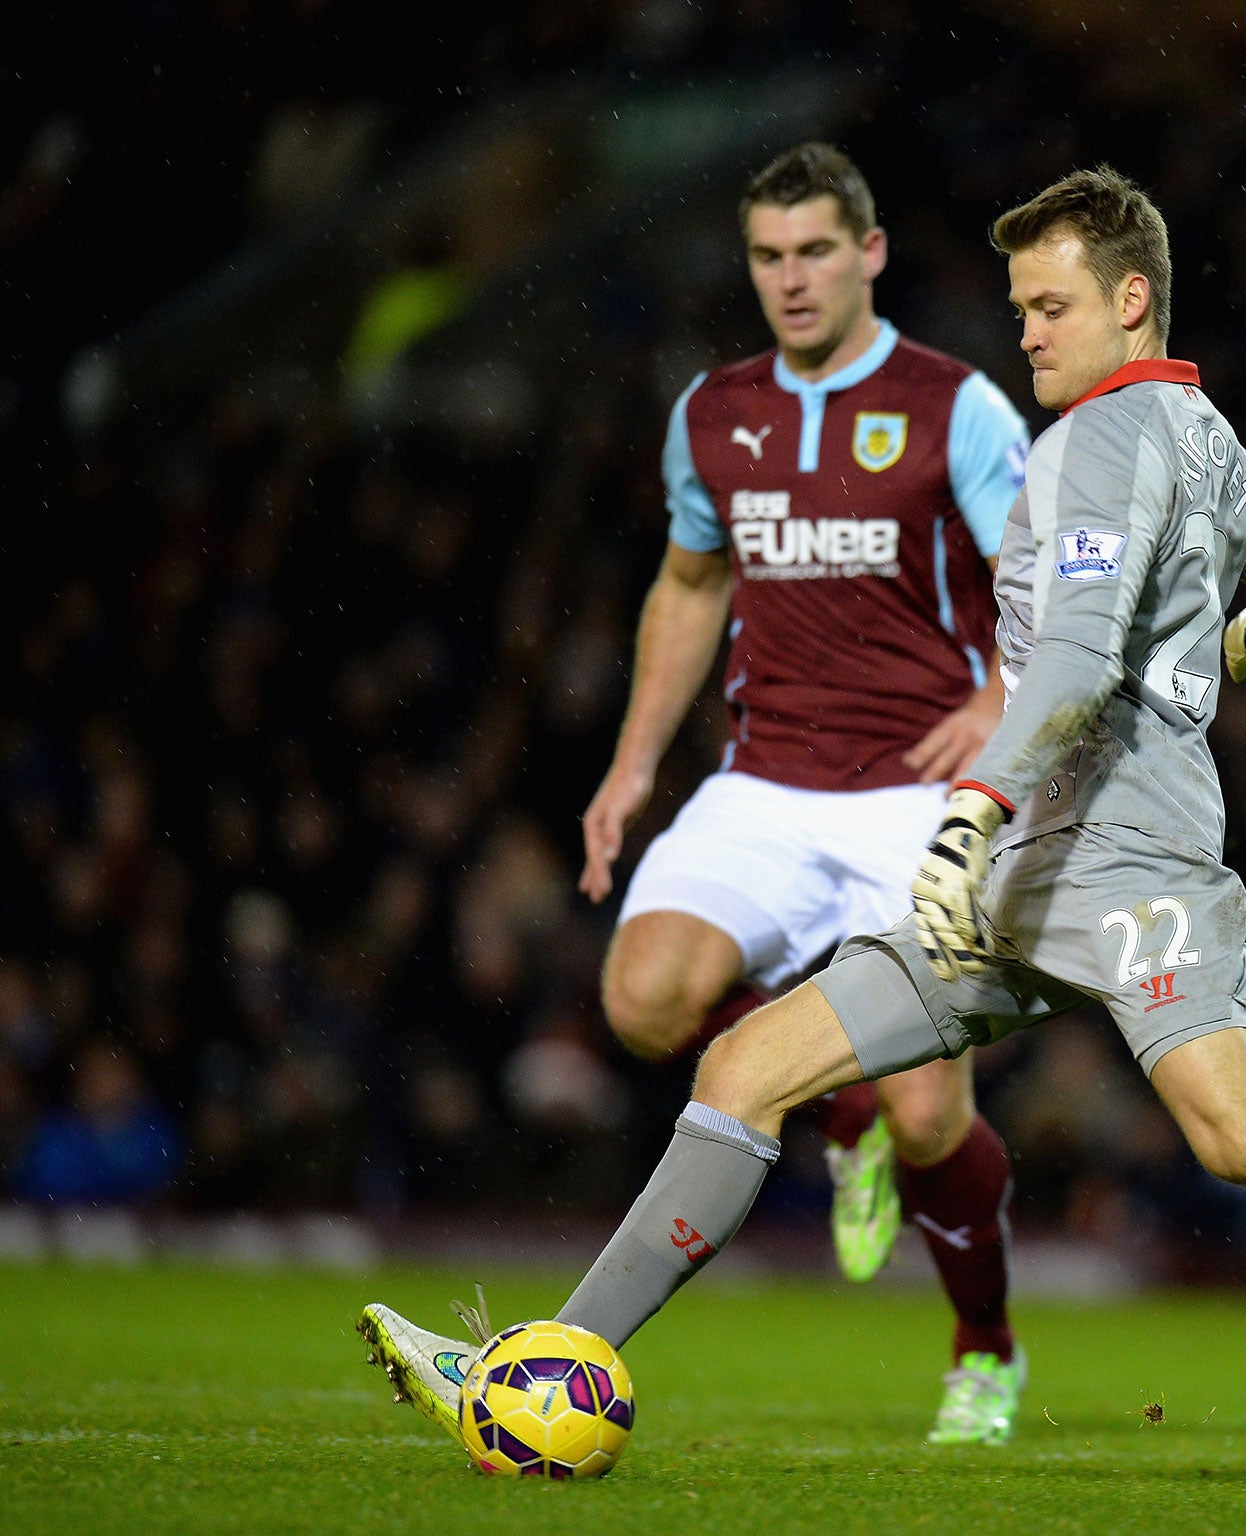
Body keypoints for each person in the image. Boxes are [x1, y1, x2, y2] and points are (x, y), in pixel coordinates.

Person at [362, 163, 1246, 1453]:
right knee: (747, 1069)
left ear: (1132, 301)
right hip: (1033, 870)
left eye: (1051, 306)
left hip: (1119, 860)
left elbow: (1071, 658)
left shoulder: (1095, 446)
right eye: (1018, 308)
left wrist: (971, 808)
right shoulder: (1219, 448)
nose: (1028, 333)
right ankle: (542, 1366)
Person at [362, 143, 1033, 1447]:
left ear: (870, 252)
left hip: (919, 792)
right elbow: (687, 586)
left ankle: (984, 1349)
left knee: (931, 1110)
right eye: (768, 256)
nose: (792, 278)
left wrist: (1003, 694)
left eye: (815, 250)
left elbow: (1042, 575)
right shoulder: (714, 415)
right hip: (767, 781)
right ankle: (837, 1111)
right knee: (642, 996)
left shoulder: (956, 407)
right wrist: (630, 764)